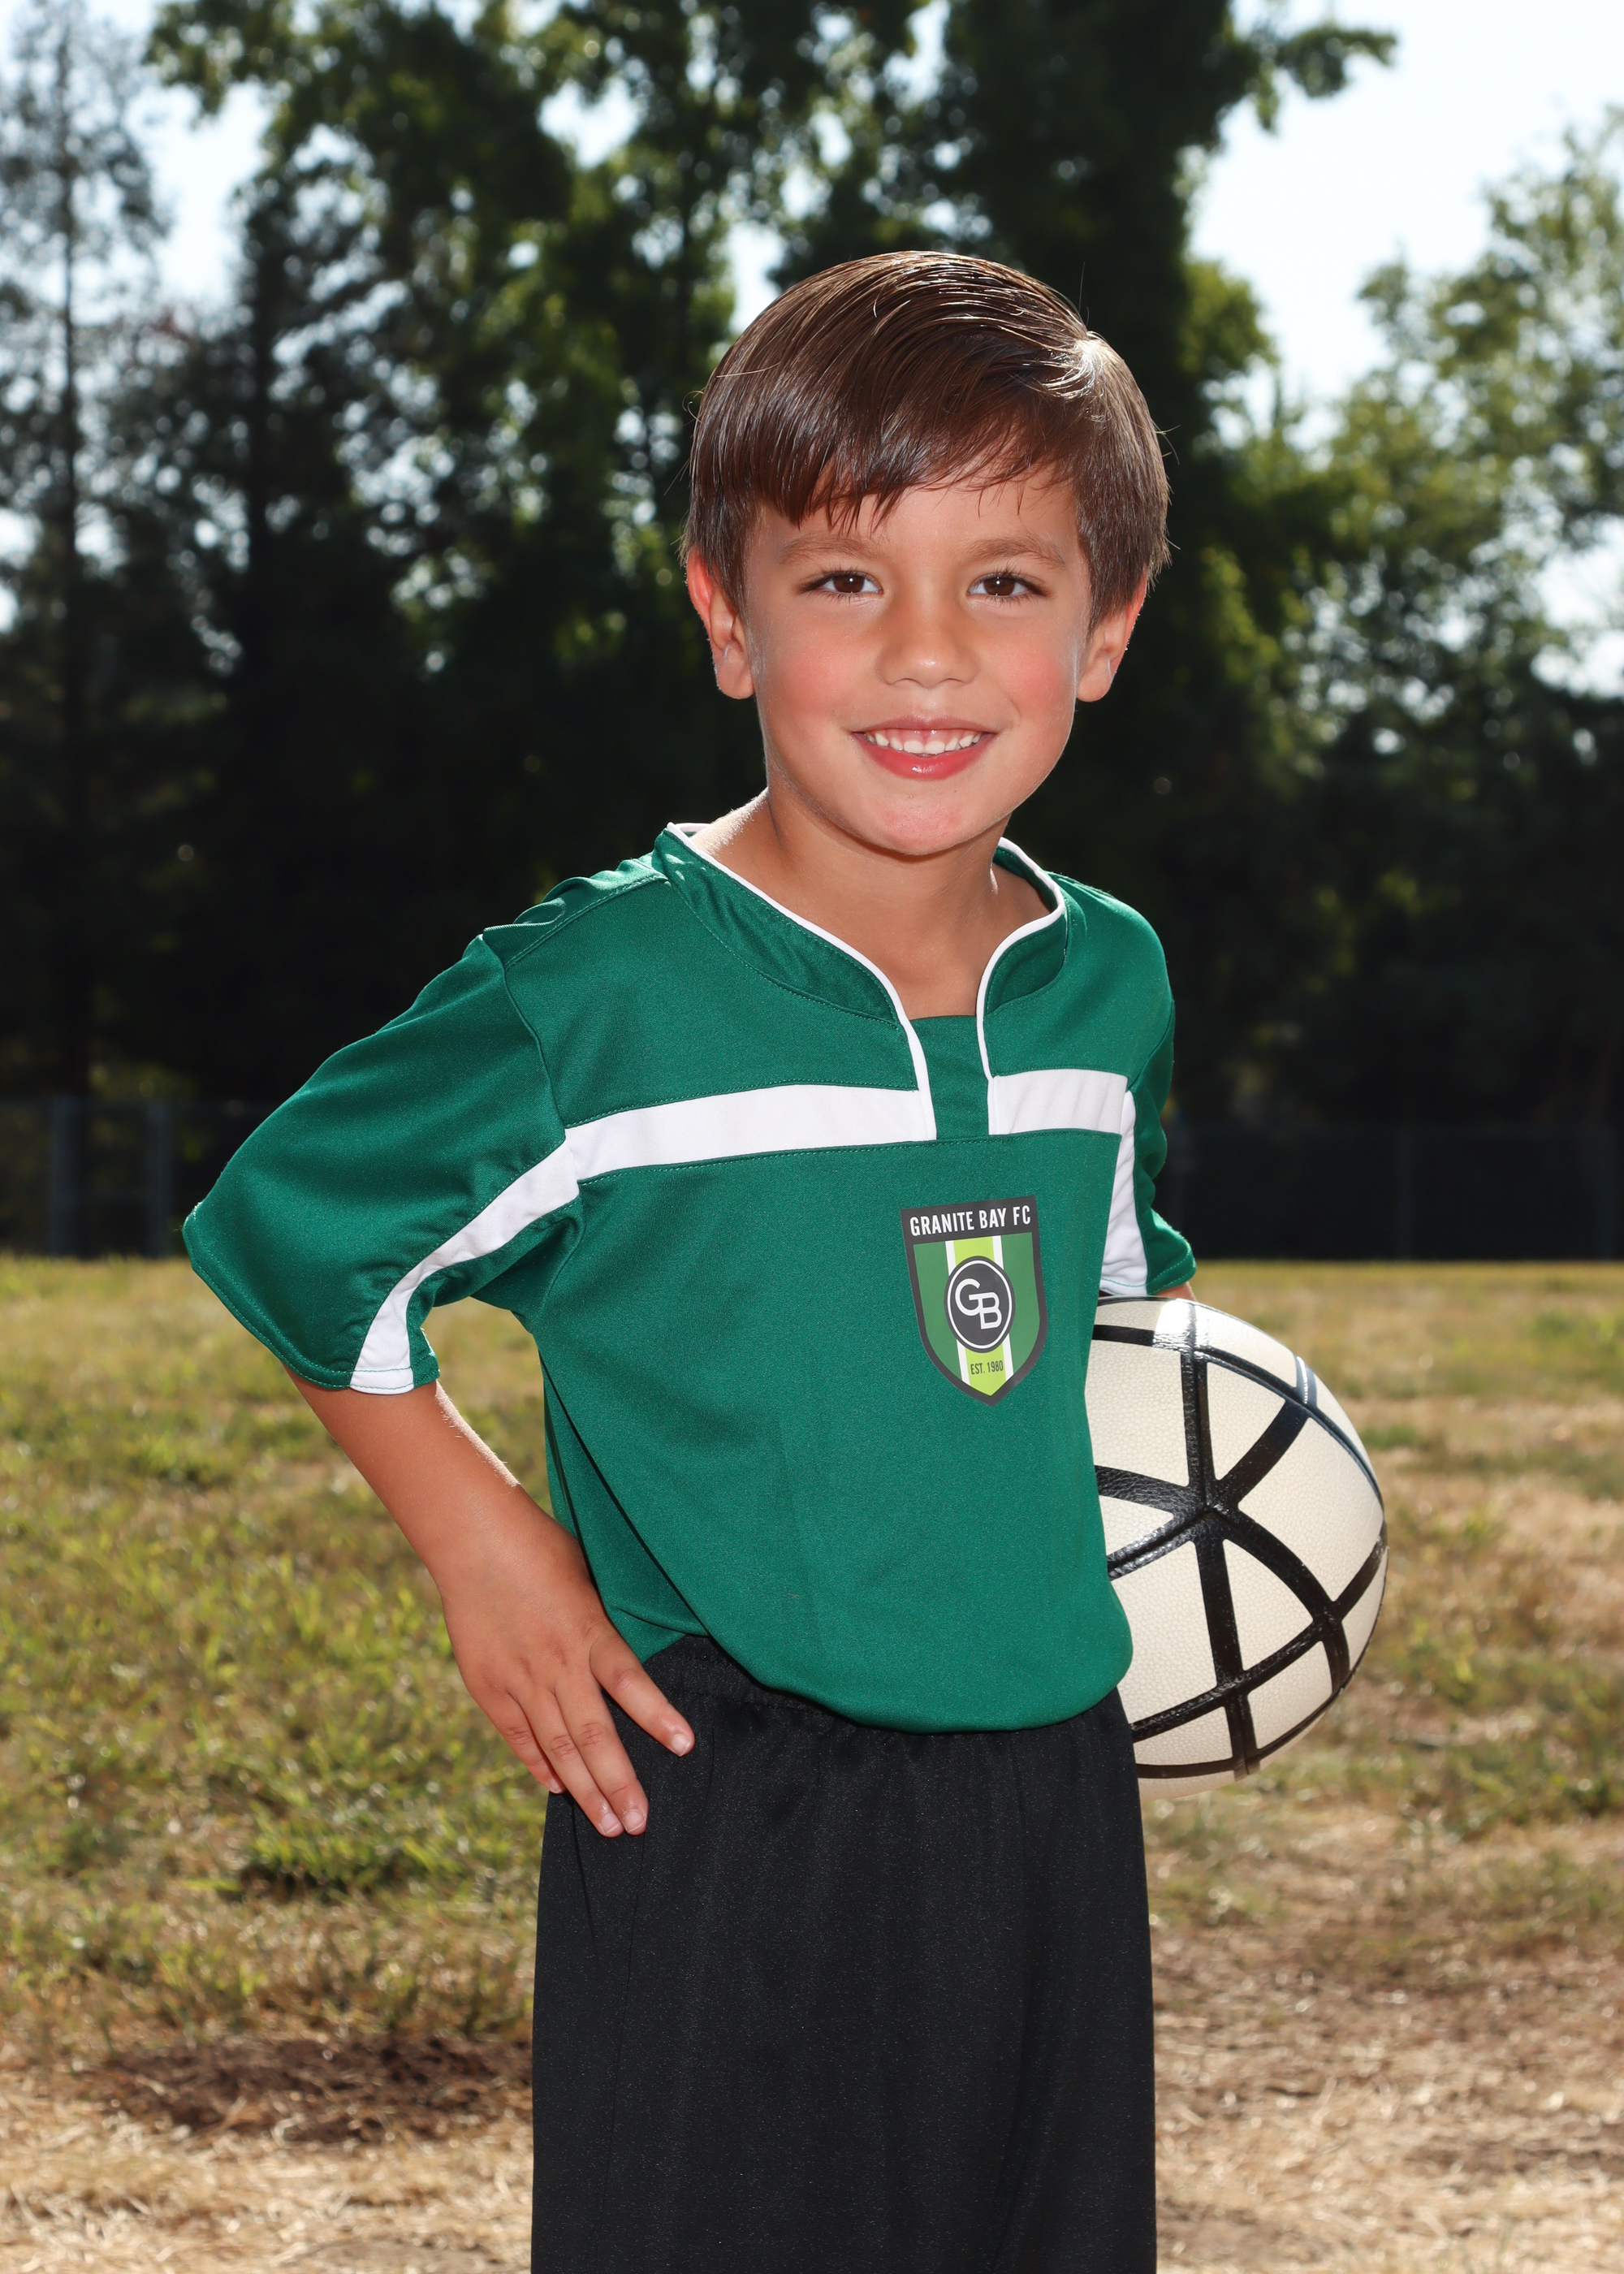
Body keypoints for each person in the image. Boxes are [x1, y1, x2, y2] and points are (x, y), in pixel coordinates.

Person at [184, 250, 1196, 2274]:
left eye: (1004, 581)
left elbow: (1101, 1326)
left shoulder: (1109, 983)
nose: (926, 655)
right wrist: (486, 1544)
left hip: (1054, 1798)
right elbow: (294, 1223)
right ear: (727, 616)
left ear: (1106, 628)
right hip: (732, 1800)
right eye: (844, 580)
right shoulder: (606, 988)